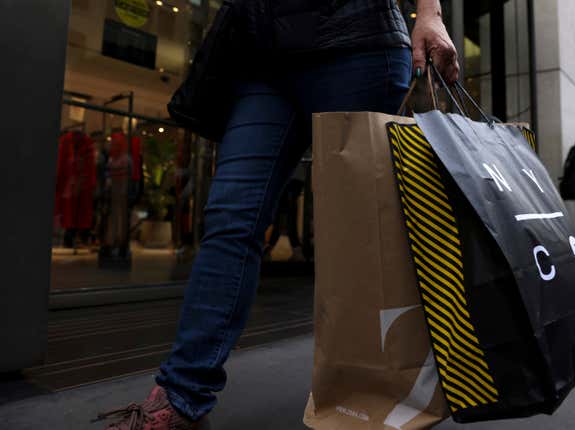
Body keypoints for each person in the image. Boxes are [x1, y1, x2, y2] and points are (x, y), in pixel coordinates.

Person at [96, 1, 459, 429]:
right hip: (263, 58)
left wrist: (429, 12)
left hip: (355, 40)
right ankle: (182, 395)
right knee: (232, 216)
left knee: (370, 228)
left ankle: (398, 389)